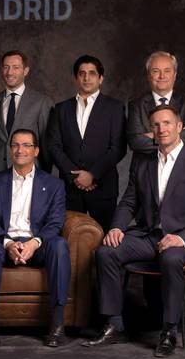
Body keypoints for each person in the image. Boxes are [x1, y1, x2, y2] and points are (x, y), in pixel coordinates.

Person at [84, 105, 185, 358]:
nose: (161, 129)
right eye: (156, 125)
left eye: (167, 123)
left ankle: (169, 330)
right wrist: (116, 227)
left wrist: (181, 237)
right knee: (106, 252)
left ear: (179, 127)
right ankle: (115, 324)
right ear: (151, 131)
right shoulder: (143, 162)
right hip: (149, 235)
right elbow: (129, 201)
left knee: (170, 258)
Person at [126, 51, 185, 331]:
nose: (161, 76)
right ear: (148, 75)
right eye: (155, 71)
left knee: (182, 244)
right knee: (152, 238)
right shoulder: (137, 104)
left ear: (175, 75)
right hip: (149, 175)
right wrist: (167, 137)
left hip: (180, 178)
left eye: (166, 70)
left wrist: (153, 136)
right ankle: (157, 315)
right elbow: (134, 141)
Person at [0, 129, 69, 348]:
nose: (20, 150)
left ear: (36, 151)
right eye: (16, 145)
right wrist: (8, 243)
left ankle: (57, 324)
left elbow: (55, 222)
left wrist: (33, 243)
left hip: (37, 243)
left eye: (27, 145)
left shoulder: (54, 184)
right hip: (3, 243)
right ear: (10, 150)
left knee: (60, 245)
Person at [47, 55, 126, 231]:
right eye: (82, 73)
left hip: (103, 186)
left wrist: (92, 174)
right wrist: (75, 176)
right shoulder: (61, 109)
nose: (86, 78)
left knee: (106, 238)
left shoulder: (114, 107)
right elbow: (54, 146)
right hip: (70, 188)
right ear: (75, 78)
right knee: (70, 238)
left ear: (101, 78)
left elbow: (118, 148)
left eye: (92, 73)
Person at [0, 50, 53, 174]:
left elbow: (47, 146)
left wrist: (44, 176)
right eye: (6, 67)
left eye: (16, 67)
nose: (10, 72)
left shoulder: (42, 102)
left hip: (30, 173)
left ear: (25, 71)